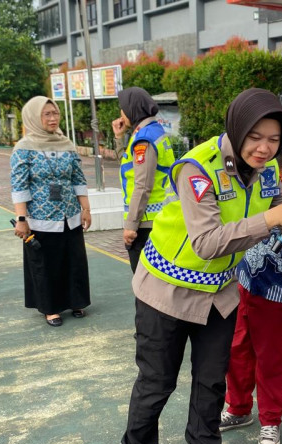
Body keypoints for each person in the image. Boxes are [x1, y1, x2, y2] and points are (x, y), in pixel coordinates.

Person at [121, 88, 282, 444]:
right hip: (166, 291)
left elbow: (276, 202)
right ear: (237, 127)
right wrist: (272, 217)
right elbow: (207, 243)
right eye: (255, 137)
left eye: (274, 140)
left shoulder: (268, 169)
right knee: (157, 383)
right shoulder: (197, 168)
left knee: (211, 383)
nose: (264, 148)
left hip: (219, 295)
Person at [219, 136, 282, 444]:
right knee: (237, 352)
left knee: (270, 361)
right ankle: (238, 408)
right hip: (243, 289)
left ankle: (270, 420)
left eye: (265, 165)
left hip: (277, 299)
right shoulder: (252, 194)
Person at [10, 96, 92, 327]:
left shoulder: (67, 144)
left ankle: (76, 301)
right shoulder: (23, 149)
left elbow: (78, 177)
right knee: (46, 264)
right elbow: (19, 185)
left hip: (70, 216)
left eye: (55, 113)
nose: (53, 118)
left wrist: (85, 209)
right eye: (46, 114)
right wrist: (21, 219)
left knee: (73, 260)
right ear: (35, 118)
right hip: (40, 219)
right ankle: (51, 308)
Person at [111, 87, 175, 272]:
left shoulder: (144, 139)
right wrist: (119, 138)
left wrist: (131, 226)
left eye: (122, 108)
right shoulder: (152, 131)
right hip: (156, 217)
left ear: (133, 108)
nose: (121, 114)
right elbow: (129, 166)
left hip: (146, 223)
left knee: (145, 283)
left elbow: (142, 185)